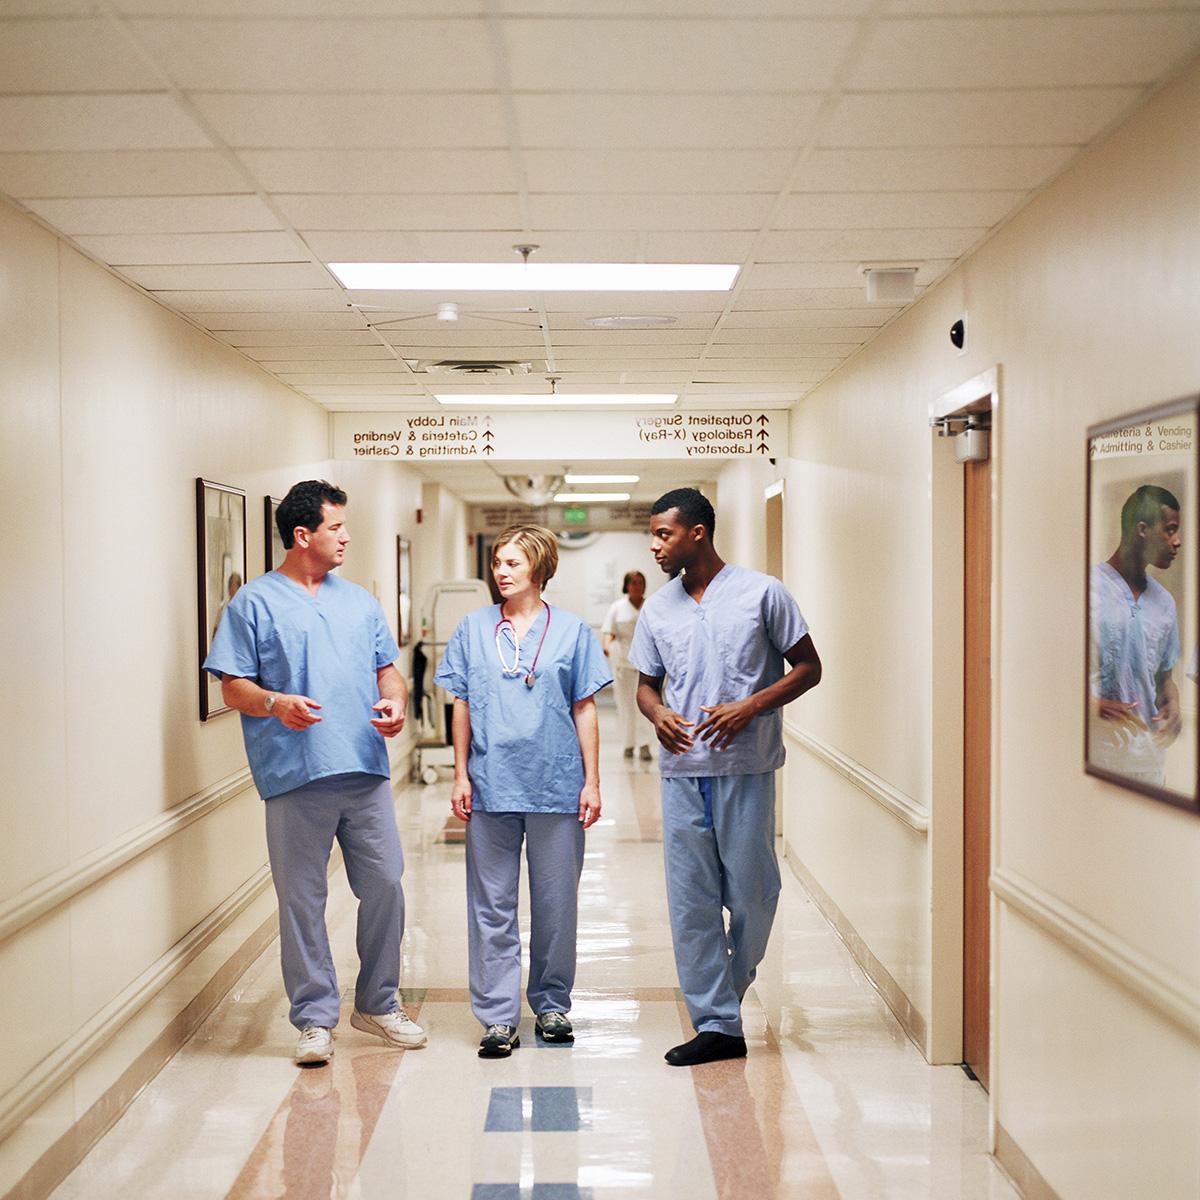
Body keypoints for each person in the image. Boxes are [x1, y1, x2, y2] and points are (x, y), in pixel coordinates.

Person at [203, 480, 426, 1066]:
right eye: (336, 527)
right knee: (302, 899)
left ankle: (378, 1002)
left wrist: (396, 703)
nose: (346, 536)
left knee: (385, 886)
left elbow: (388, 673)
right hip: (295, 775)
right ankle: (314, 1018)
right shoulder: (253, 604)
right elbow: (232, 686)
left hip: (363, 770)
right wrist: (277, 703)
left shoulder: (358, 603)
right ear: (303, 535)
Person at [629, 487, 821, 1067]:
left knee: (754, 893)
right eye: (653, 534)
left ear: (698, 533)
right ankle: (717, 1023)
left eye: (664, 534)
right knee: (692, 902)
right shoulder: (658, 608)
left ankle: (726, 994)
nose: (655, 545)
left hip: (747, 766)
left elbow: (810, 667)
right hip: (683, 771)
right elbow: (645, 684)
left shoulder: (763, 593)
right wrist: (658, 713)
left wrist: (751, 706)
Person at [434, 525, 612, 1058]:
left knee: (556, 903)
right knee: (492, 905)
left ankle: (552, 1004)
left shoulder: (573, 631)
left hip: (556, 782)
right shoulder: (472, 628)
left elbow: (585, 706)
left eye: (512, 563)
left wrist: (593, 781)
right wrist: (460, 772)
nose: (500, 572)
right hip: (491, 784)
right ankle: (497, 1016)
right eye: (497, 563)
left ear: (539, 568)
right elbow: (460, 703)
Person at [1089, 483, 1183, 786]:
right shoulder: (1086, 588)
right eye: (1170, 530)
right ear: (1142, 529)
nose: (1177, 541)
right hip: (1096, 760)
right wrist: (1092, 706)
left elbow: (1164, 679)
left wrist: (1174, 705)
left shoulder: (1165, 603)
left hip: (1149, 763)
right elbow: (1048, 675)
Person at [601, 570, 653, 762]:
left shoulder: (651, 606)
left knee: (645, 705)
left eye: (640, 582)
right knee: (625, 706)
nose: (637, 586)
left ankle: (645, 744)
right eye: (633, 583)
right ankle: (628, 744)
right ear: (626, 586)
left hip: (646, 663)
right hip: (623, 662)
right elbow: (609, 631)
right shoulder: (618, 607)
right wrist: (606, 647)